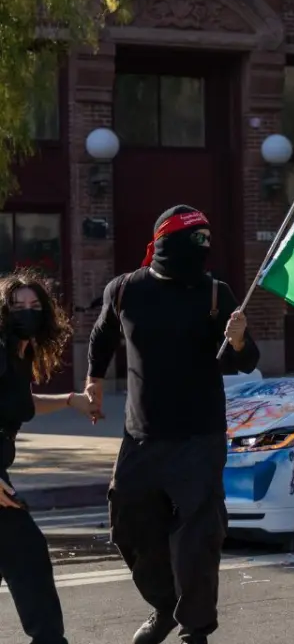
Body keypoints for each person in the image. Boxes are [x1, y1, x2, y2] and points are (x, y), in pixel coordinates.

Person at [85, 205, 260, 644]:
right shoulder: (125, 290)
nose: (200, 250)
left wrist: (239, 339)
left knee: (199, 538)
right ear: (163, 243)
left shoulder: (216, 293)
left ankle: (195, 630)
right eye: (191, 241)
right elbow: (102, 335)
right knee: (130, 526)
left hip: (199, 438)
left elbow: (247, 360)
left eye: (206, 241)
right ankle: (165, 607)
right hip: (140, 438)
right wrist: (93, 381)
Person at [0, 269, 102, 644]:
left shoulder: (18, 352)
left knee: (23, 557)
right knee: (28, 557)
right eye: (16, 306)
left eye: (34, 305)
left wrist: (70, 400)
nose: (26, 312)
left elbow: (17, 404)